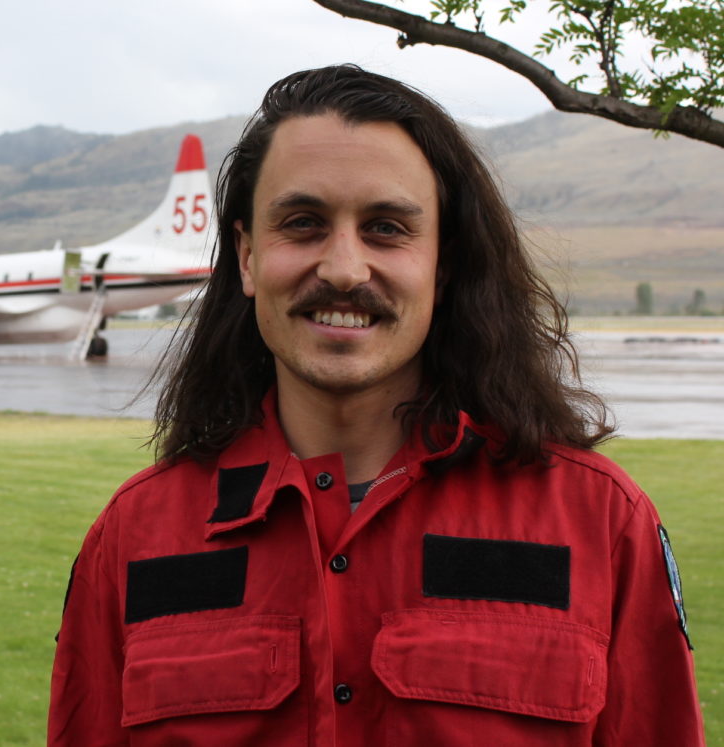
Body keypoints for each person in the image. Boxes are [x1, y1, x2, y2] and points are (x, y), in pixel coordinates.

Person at [48, 65, 704, 745]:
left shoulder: (599, 524)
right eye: (302, 224)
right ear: (246, 257)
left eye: (386, 228)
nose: (343, 268)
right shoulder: (132, 538)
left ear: (444, 265)